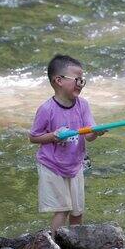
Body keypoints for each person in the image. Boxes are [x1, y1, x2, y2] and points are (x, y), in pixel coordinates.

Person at [29, 54, 105, 233]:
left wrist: (96, 133)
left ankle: (75, 245)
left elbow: (89, 135)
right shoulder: (47, 109)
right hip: (52, 165)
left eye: (82, 80)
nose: (80, 84)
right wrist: (53, 136)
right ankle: (55, 247)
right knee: (62, 209)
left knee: (77, 211)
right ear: (59, 80)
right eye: (77, 79)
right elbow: (33, 137)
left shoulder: (83, 105)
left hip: (75, 165)